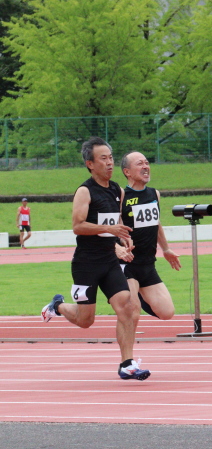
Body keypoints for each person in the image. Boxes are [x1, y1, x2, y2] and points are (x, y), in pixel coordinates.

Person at [41, 137, 150, 380]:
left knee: (127, 306)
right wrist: (109, 229)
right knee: (85, 320)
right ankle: (56, 306)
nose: (109, 163)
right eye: (103, 158)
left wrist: (122, 238)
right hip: (86, 264)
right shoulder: (84, 191)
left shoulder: (117, 190)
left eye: (111, 157)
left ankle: (127, 364)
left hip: (109, 261)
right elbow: (77, 226)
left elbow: (117, 220)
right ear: (90, 164)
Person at [116, 151, 180, 320]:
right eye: (140, 164)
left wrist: (166, 249)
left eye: (147, 163)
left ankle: (139, 294)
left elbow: (156, 223)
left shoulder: (154, 194)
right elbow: (113, 225)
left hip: (147, 264)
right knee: (132, 310)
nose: (145, 167)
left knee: (167, 313)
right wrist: (119, 243)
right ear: (127, 172)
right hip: (127, 263)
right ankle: (131, 297)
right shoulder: (121, 196)